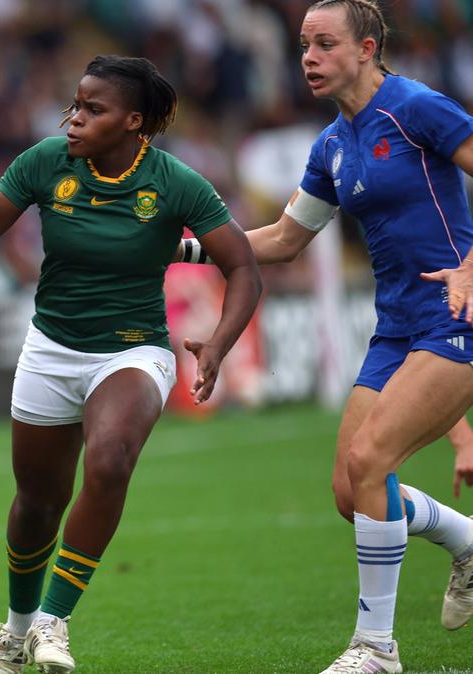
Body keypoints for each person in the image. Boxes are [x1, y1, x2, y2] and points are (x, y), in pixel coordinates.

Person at [0, 55, 262, 674]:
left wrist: (218, 344)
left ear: (133, 122)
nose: (74, 119)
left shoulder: (176, 182)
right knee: (37, 504)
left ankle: (53, 622)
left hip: (133, 350)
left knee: (110, 460)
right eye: (74, 105)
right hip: (51, 348)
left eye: (93, 109)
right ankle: (17, 630)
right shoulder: (46, 161)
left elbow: (243, 266)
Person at [176, 1, 473, 671]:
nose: (308, 57)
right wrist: (186, 249)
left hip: (456, 317)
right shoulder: (332, 145)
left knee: (371, 461)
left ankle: (376, 648)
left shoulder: (416, 108)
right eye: (304, 45)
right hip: (395, 328)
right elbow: (284, 240)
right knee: (350, 490)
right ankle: (467, 542)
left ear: (367, 48)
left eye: (325, 44)